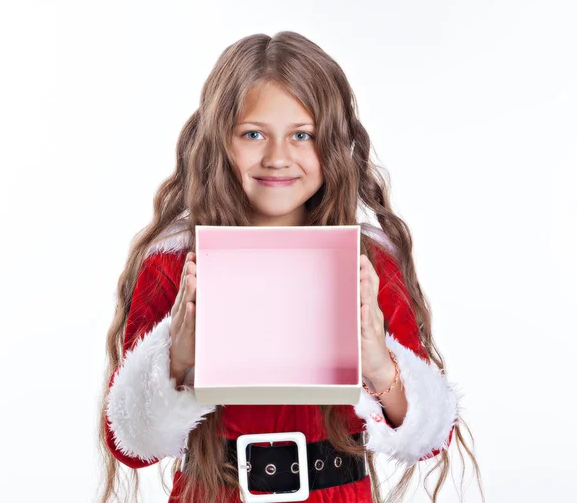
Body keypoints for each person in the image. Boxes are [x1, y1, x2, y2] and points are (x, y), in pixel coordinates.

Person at [97, 31, 484, 503]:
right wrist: (175, 356)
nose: (278, 157)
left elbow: (428, 438)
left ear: (335, 144)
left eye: (303, 135)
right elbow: (128, 446)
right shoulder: (175, 261)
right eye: (253, 134)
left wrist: (380, 363)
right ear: (220, 141)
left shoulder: (370, 260)